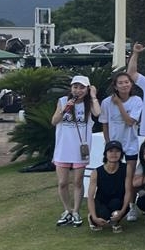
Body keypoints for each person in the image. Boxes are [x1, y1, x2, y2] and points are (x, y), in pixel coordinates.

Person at [52, 75, 100, 227]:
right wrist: (65, 109)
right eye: (75, 87)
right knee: (62, 182)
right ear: (71, 88)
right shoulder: (62, 101)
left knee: (78, 181)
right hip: (63, 148)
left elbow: (97, 113)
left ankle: (76, 211)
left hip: (80, 149)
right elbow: (54, 121)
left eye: (82, 87)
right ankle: (67, 209)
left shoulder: (89, 104)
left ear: (87, 89)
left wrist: (93, 96)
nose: (78, 90)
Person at [100, 72, 142, 221]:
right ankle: (114, 206)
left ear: (131, 84)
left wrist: (119, 104)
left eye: (127, 82)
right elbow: (104, 124)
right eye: (121, 83)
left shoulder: (136, 100)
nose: (124, 85)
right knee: (114, 176)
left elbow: (130, 122)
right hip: (113, 145)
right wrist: (108, 144)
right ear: (115, 86)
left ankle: (131, 206)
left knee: (129, 178)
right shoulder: (106, 102)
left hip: (130, 145)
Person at [87, 140, 131, 233]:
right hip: (101, 202)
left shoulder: (127, 168)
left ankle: (115, 222)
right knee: (104, 214)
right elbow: (90, 197)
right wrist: (94, 217)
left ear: (121, 154)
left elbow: (128, 191)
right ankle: (92, 217)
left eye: (117, 151)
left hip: (117, 201)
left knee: (118, 204)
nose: (114, 154)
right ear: (105, 154)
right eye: (110, 151)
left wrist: (122, 211)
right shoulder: (96, 172)